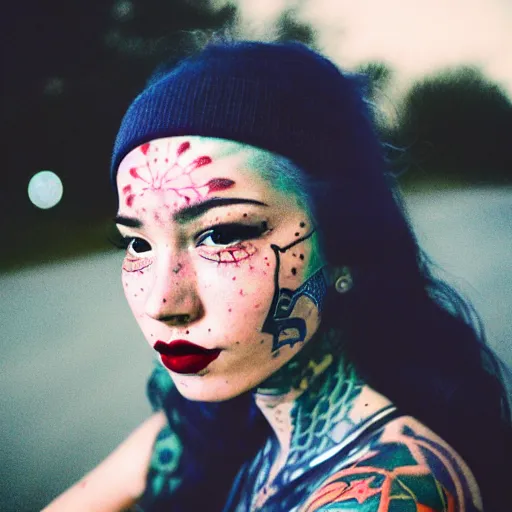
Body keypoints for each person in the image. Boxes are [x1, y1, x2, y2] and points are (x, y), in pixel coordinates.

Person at [43, 40, 512, 512]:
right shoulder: (212, 428)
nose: (162, 302)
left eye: (223, 235)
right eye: (138, 243)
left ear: (347, 243)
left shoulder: (397, 488)